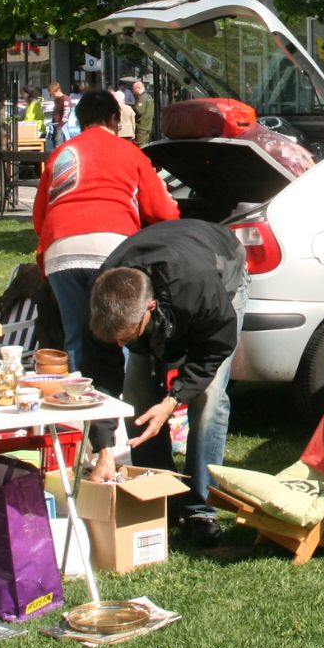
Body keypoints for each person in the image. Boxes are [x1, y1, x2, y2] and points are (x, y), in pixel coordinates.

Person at [84, 218, 247, 543]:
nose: (120, 346)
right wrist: (104, 450)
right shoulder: (103, 300)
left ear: (150, 308)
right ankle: (162, 494)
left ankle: (201, 507)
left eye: (126, 338)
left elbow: (215, 347)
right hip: (165, 283)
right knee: (137, 395)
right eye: (116, 341)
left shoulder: (197, 287)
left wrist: (173, 399)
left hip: (220, 271)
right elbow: (101, 380)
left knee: (209, 398)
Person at [33, 88, 180, 375]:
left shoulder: (62, 153)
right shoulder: (130, 153)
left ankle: (78, 393)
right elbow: (161, 212)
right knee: (119, 328)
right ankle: (121, 396)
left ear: (79, 119)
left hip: (60, 248)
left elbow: (40, 217)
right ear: (114, 118)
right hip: (111, 246)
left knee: (75, 332)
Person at [129, 78, 155, 145]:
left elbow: (139, 111)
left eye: (133, 89)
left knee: (140, 147)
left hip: (141, 128)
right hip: (147, 126)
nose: (132, 91)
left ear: (138, 88)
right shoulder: (148, 96)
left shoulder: (142, 98)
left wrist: (130, 109)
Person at [45, 81, 68, 148]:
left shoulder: (65, 99)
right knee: (55, 146)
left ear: (58, 90)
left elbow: (66, 115)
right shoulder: (57, 100)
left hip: (61, 127)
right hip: (55, 126)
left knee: (59, 147)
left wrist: (60, 126)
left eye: (53, 94)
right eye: (51, 94)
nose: (52, 96)